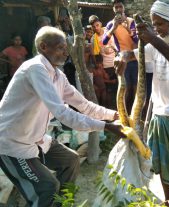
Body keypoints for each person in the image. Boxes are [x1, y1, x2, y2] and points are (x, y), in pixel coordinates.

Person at [0, 26, 125, 207]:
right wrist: (105, 126)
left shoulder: (58, 75)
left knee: (71, 160)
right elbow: (62, 112)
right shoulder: (35, 69)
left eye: (65, 48)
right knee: (47, 186)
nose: (66, 52)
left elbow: (83, 105)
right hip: (12, 143)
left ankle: (61, 204)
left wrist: (114, 114)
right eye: (60, 48)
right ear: (43, 47)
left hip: (36, 139)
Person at [114, 0, 169, 206]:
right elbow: (130, 54)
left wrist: (152, 38)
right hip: (159, 115)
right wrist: (121, 57)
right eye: (154, 24)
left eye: (160, 24)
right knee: (158, 161)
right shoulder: (153, 45)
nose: (157, 29)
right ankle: (168, 199)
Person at [103, 0, 138, 114]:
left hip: (134, 59)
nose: (118, 9)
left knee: (135, 88)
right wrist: (114, 27)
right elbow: (104, 41)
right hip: (122, 60)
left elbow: (137, 40)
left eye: (120, 7)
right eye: (116, 7)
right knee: (125, 89)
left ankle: (135, 114)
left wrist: (127, 28)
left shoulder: (131, 21)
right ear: (113, 9)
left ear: (123, 8)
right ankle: (124, 114)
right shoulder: (110, 24)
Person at [89, 15, 117, 108]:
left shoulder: (109, 30)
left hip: (117, 63)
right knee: (108, 90)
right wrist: (101, 69)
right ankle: (109, 110)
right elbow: (96, 55)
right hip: (106, 67)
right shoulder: (94, 39)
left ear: (100, 23)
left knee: (118, 88)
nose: (96, 28)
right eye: (93, 26)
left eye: (97, 25)